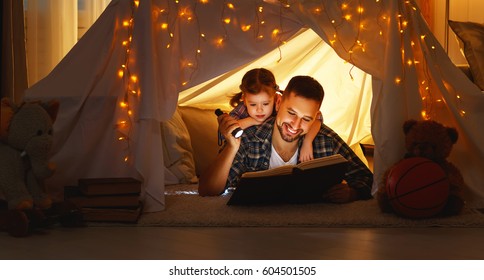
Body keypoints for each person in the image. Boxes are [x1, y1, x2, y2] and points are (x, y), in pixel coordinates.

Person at [199, 75, 373, 203]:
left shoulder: (326, 140)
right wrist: (231, 147)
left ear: (316, 117)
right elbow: (208, 190)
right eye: (291, 113)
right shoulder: (250, 138)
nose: (296, 125)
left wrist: (352, 193)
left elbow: (367, 178)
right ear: (278, 103)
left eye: (306, 119)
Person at [225, 68, 321, 162]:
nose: (259, 110)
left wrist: (307, 142)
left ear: (276, 100)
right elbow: (229, 129)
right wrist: (253, 120)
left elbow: (317, 120)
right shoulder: (241, 112)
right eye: (253, 104)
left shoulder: (282, 105)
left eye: (266, 104)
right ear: (244, 100)